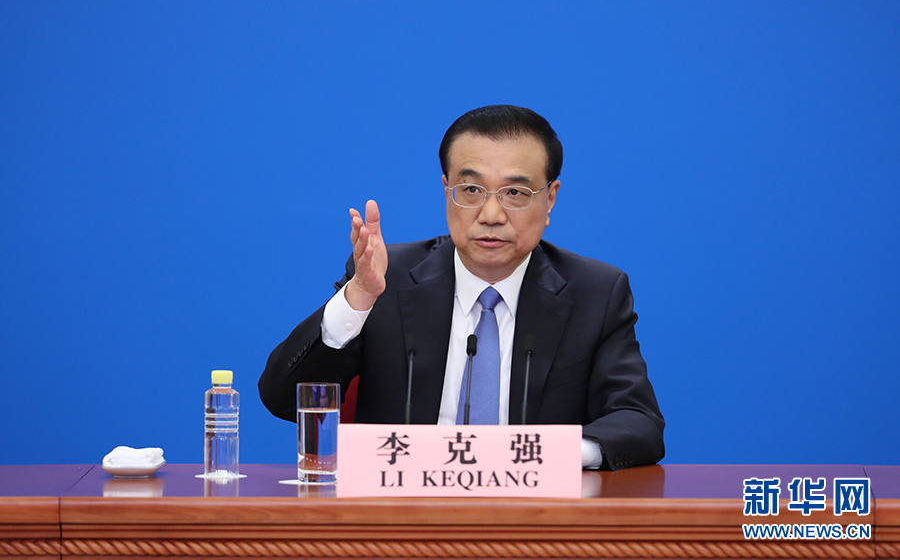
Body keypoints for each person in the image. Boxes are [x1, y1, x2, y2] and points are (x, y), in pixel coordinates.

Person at [259, 105, 664, 470]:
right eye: (471, 190)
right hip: (400, 514)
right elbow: (283, 399)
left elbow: (638, 421)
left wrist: (554, 455)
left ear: (551, 199)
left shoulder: (594, 293)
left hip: (536, 514)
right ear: (446, 190)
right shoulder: (386, 280)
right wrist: (359, 298)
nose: (491, 214)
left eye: (515, 193)